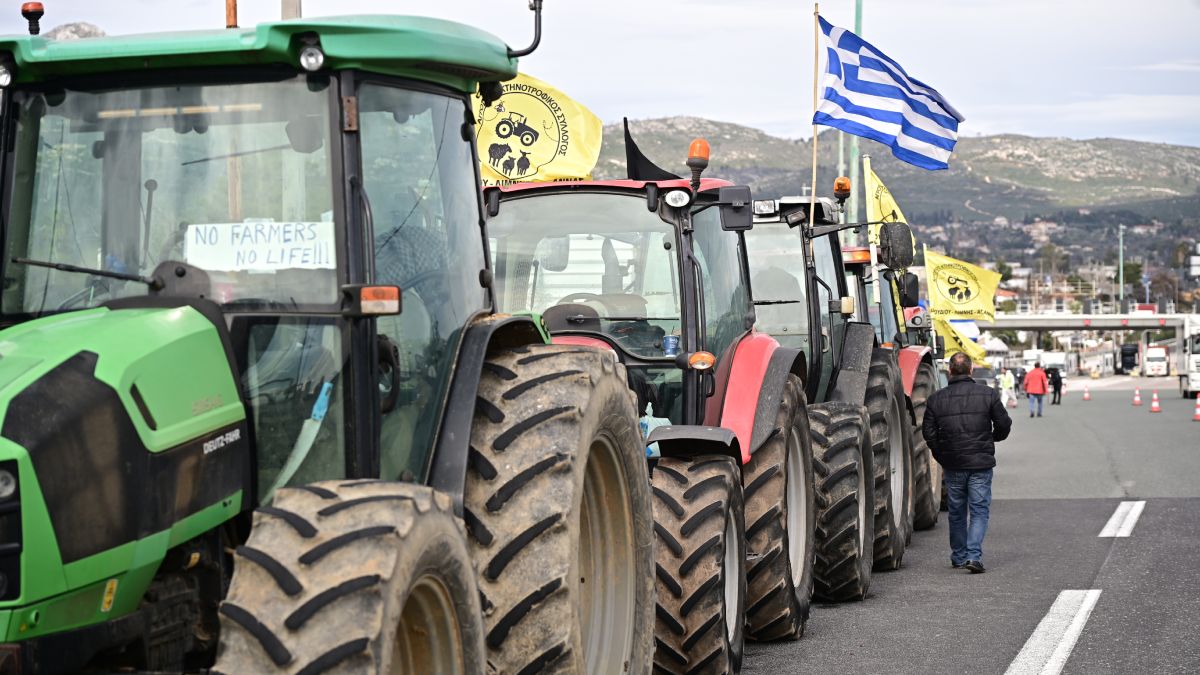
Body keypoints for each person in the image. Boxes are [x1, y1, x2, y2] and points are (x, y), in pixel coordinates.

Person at [922, 351, 1012, 573]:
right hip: (980, 462)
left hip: (953, 463)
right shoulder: (987, 394)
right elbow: (1004, 424)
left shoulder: (936, 399)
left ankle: (959, 556)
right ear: (971, 370)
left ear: (950, 371)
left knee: (956, 510)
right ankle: (974, 556)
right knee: (979, 509)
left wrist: (941, 454)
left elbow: (928, 433)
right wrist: (992, 439)